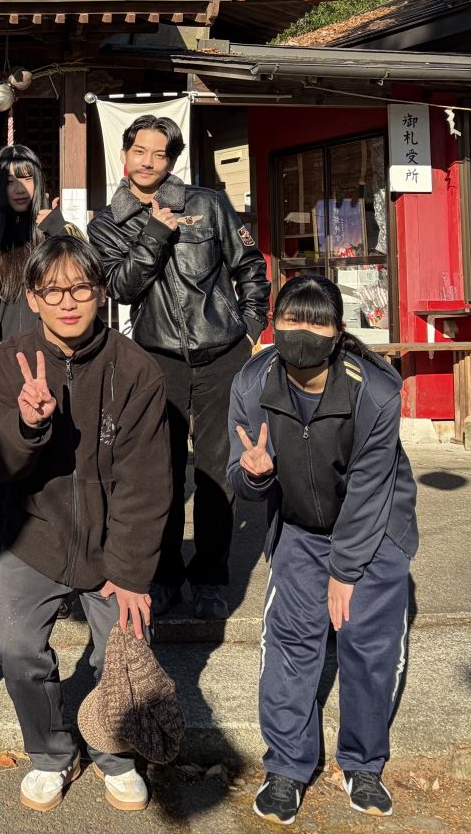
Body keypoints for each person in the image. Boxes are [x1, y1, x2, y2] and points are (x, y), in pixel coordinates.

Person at [0, 234, 171, 814]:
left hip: (113, 543)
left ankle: (116, 755)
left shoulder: (135, 370)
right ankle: (51, 751)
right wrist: (28, 426)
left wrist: (130, 572)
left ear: (101, 293)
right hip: (34, 536)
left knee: (122, 654)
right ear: (32, 298)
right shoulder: (7, 363)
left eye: (81, 288)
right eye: (53, 291)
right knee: (15, 649)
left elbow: (147, 482)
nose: (68, 302)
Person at [228, 273, 417, 825]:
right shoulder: (252, 382)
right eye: (292, 320)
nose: (303, 333)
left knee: (368, 647)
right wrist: (255, 474)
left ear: (337, 333)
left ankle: (363, 763)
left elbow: (370, 488)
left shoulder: (374, 390)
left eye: (318, 323)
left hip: (374, 529)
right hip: (299, 526)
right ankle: (286, 768)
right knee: (290, 644)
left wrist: (345, 570)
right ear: (274, 323)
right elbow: (237, 475)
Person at [86, 114, 270, 621]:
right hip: (156, 360)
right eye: (139, 151)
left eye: (159, 153)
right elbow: (121, 288)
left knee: (215, 474)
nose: (148, 161)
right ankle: (163, 574)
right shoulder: (107, 224)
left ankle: (209, 576)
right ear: (124, 155)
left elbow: (250, 266)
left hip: (223, 354)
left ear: (171, 160)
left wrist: (251, 328)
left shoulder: (206, 204)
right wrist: (153, 233)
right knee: (156, 474)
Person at [0, 143, 68, 557]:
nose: (20, 187)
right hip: (6, 375)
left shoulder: (53, 232)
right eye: (9, 180)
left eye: (26, 176)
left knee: (55, 480)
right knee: (6, 483)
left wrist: (57, 229)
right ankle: (6, 571)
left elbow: (78, 284)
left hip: (55, 365)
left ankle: (58, 571)